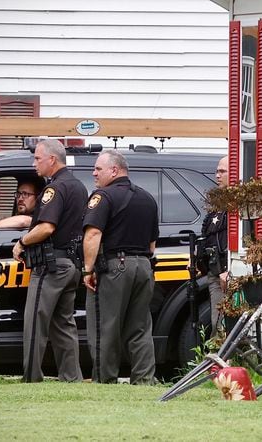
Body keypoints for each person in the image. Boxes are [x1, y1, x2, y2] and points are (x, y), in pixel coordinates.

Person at [82, 149, 159, 385]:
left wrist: (87, 269)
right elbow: (152, 244)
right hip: (144, 266)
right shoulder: (148, 198)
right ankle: (144, 380)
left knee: (105, 325)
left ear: (114, 170)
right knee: (140, 327)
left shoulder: (102, 196)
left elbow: (93, 233)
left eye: (98, 169)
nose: (94, 173)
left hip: (116, 267)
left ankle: (105, 380)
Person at [12, 140, 86, 383]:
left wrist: (22, 243)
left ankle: (31, 377)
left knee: (35, 321)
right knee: (64, 323)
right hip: (71, 264)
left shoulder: (54, 189)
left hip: (51, 265)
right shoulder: (78, 186)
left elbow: (46, 227)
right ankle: (71, 377)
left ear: (52, 160)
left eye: (37, 159)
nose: (34, 164)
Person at [199, 156, 229, 335]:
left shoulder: (240, 202)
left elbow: (243, 239)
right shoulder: (216, 202)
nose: (217, 175)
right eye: (217, 171)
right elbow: (208, 234)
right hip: (214, 270)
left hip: (228, 273)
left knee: (227, 324)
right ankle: (218, 361)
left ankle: (228, 361)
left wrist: (230, 269)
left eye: (222, 171)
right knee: (217, 322)